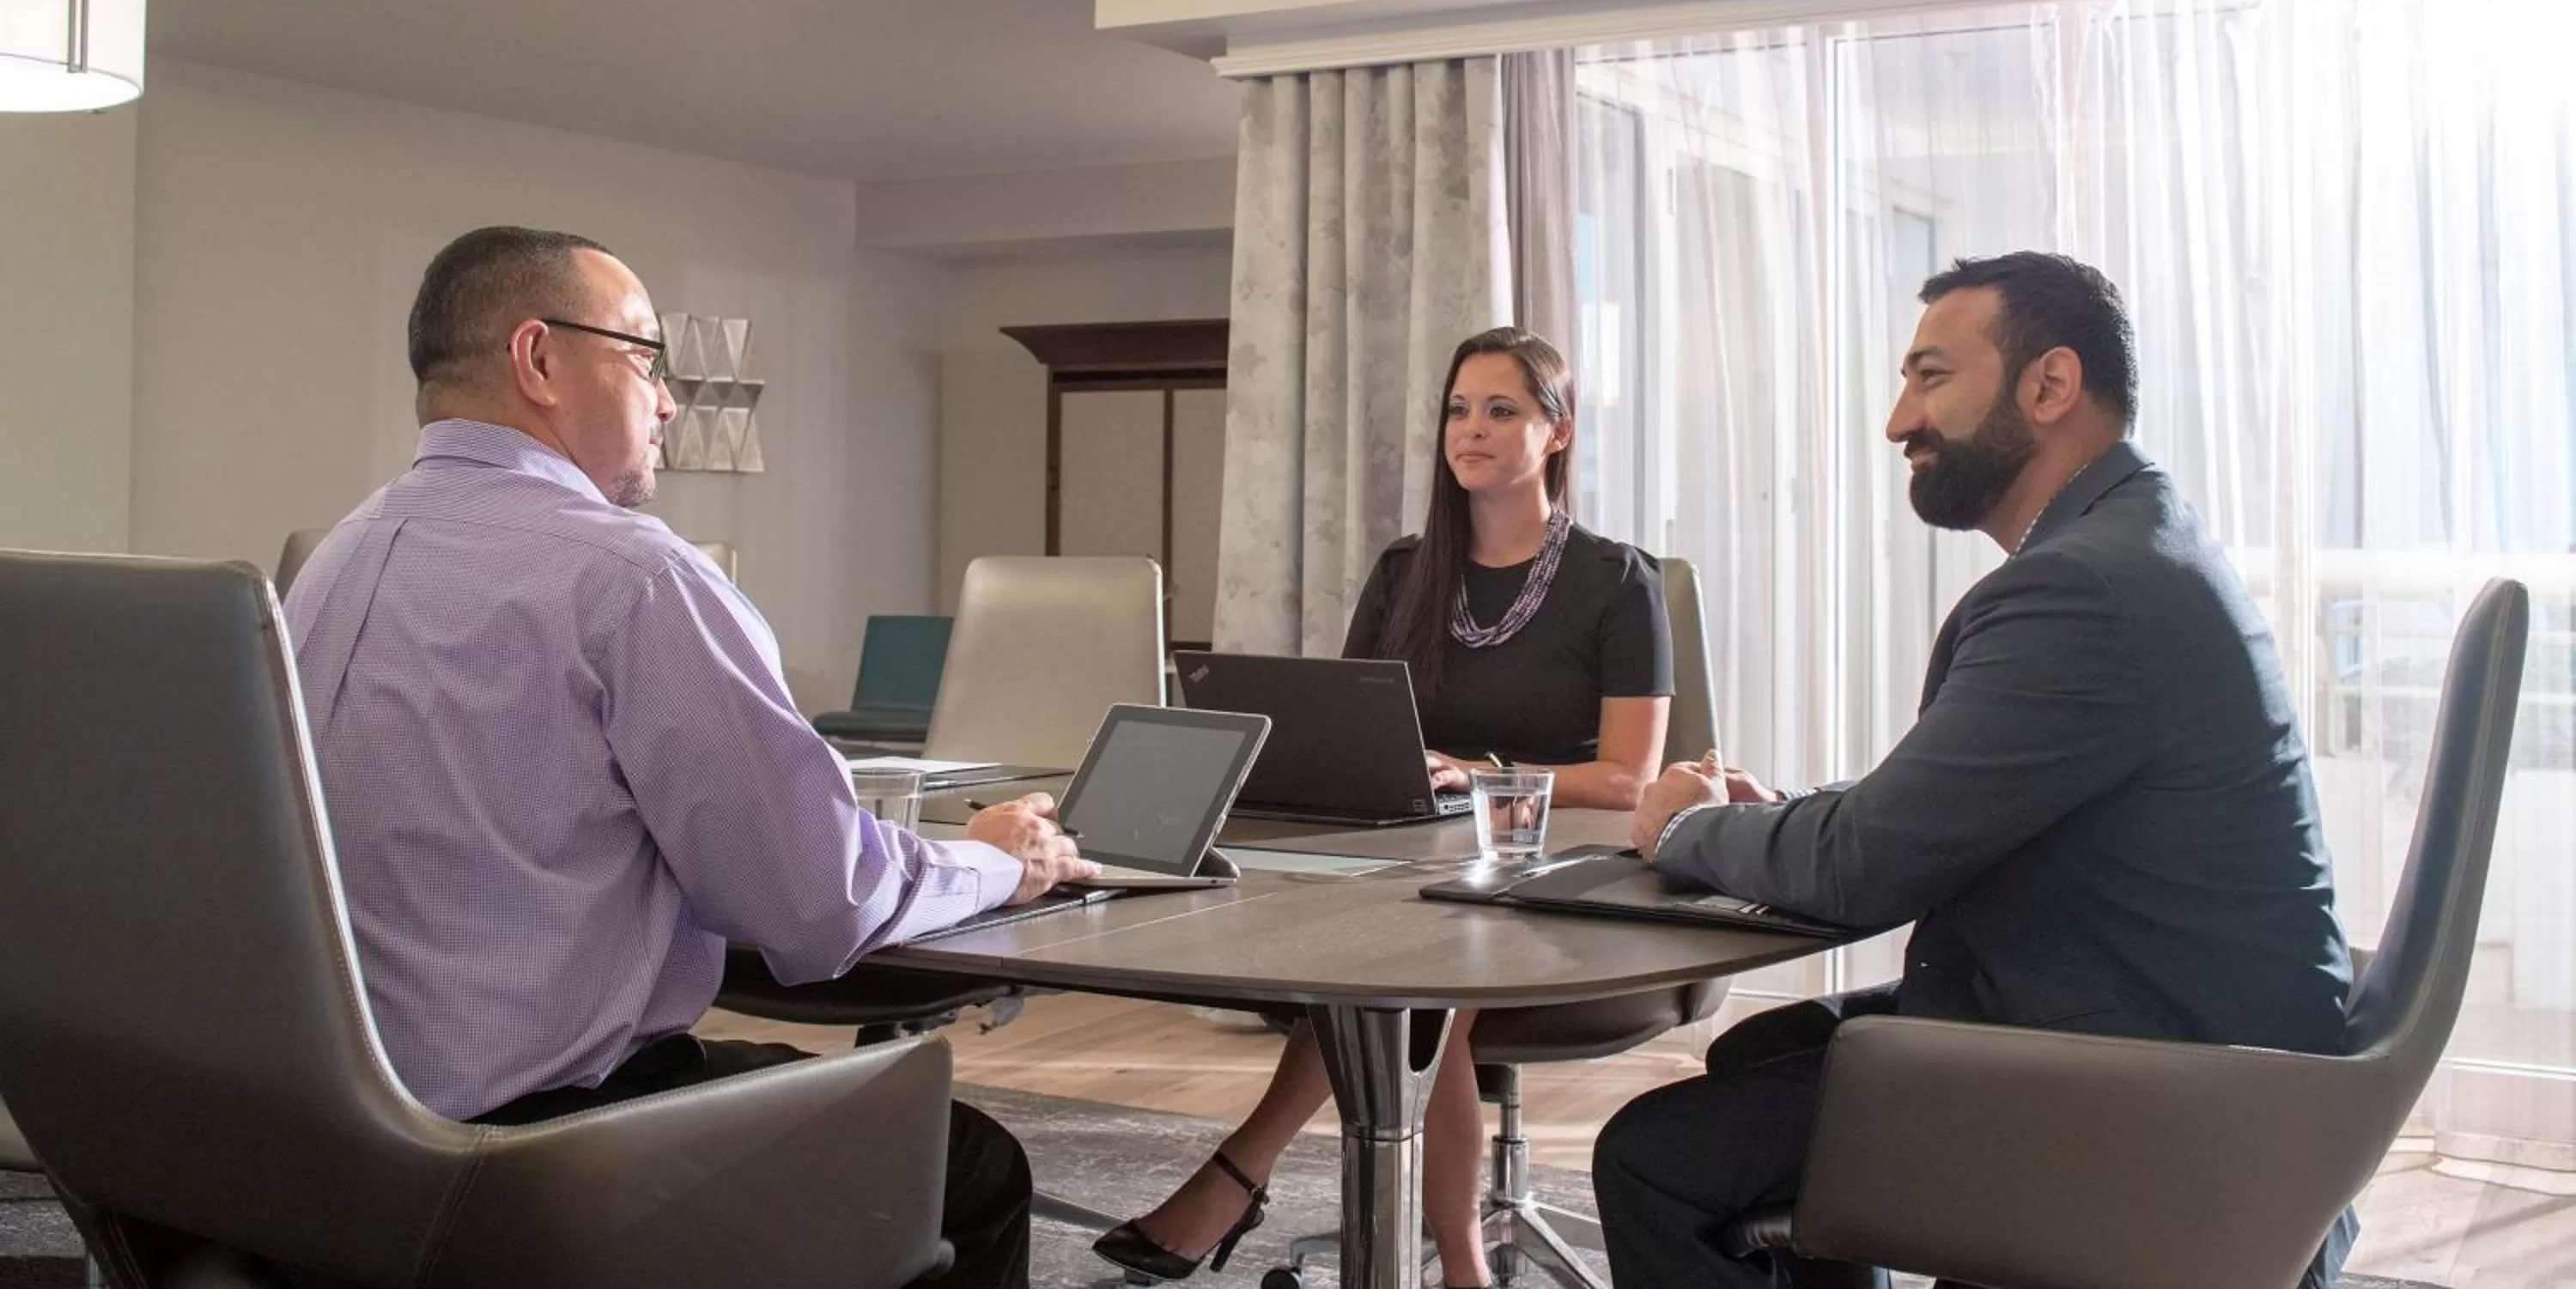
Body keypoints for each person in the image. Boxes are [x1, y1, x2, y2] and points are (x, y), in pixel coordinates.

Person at [283, 226, 1097, 1289]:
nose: (668, 400)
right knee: (970, 1167)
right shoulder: (630, 575)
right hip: (539, 1148)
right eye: (644, 357)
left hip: (331, 1140)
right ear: (539, 359)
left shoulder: (334, 557)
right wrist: (999, 857)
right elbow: (815, 903)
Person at [1597, 252, 2355, 1289]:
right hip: (2173, 1047)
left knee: (1653, 1161)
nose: (1898, 419)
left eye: (1931, 377)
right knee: (1758, 1056)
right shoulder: (2131, 542)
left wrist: (1680, 826)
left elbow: (1868, 864)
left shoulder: (2081, 589)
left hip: (2168, 1107)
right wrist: (1784, 814)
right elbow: (1936, 807)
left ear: (2048, 385)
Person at [1097, 327, 1673, 1286]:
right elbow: (1361, 724)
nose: (1471, 429)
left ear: (1557, 431)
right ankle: (1440, 1261)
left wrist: (1478, 768)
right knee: (1376, 949)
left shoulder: (1617, 581)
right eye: (1458, 408)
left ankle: (1285, 1192)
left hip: (1561, 872)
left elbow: (1627, 776)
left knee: (1411, 978)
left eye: (1502, 409)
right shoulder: (1406, 571)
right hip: (1420, 858)